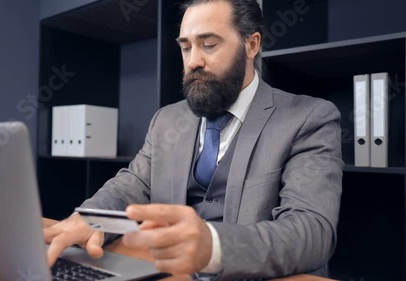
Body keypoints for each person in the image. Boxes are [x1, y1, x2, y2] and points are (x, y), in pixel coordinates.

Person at [44, 0, 343, 279]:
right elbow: (130, 186)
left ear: (251, 45)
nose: (193, 61)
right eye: (186, 48)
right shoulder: (167, 120)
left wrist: (213, 246)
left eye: (209, 45)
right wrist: (90, 218)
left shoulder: (309, 118)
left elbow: (311, 232)